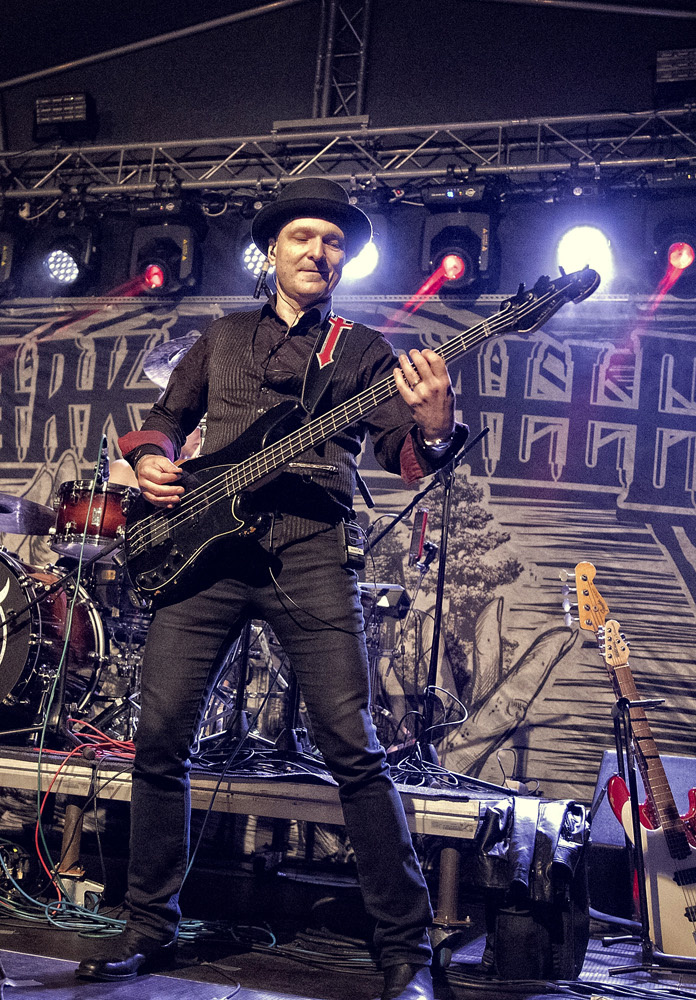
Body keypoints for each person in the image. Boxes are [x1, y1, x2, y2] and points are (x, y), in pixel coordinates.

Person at [76, 177, 466, 1000]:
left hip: (309, 550)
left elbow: (402, 454)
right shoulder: (222, 337)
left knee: (352, 748)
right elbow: (163, 420)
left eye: (333, 241)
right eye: (302, 237)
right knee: (160, 739)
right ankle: (148, 924)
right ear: (272, 252)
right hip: (205, 555)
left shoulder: (362, 352)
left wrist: (434, 427)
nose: (318, 251)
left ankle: (405, 950)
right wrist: (151, 460)